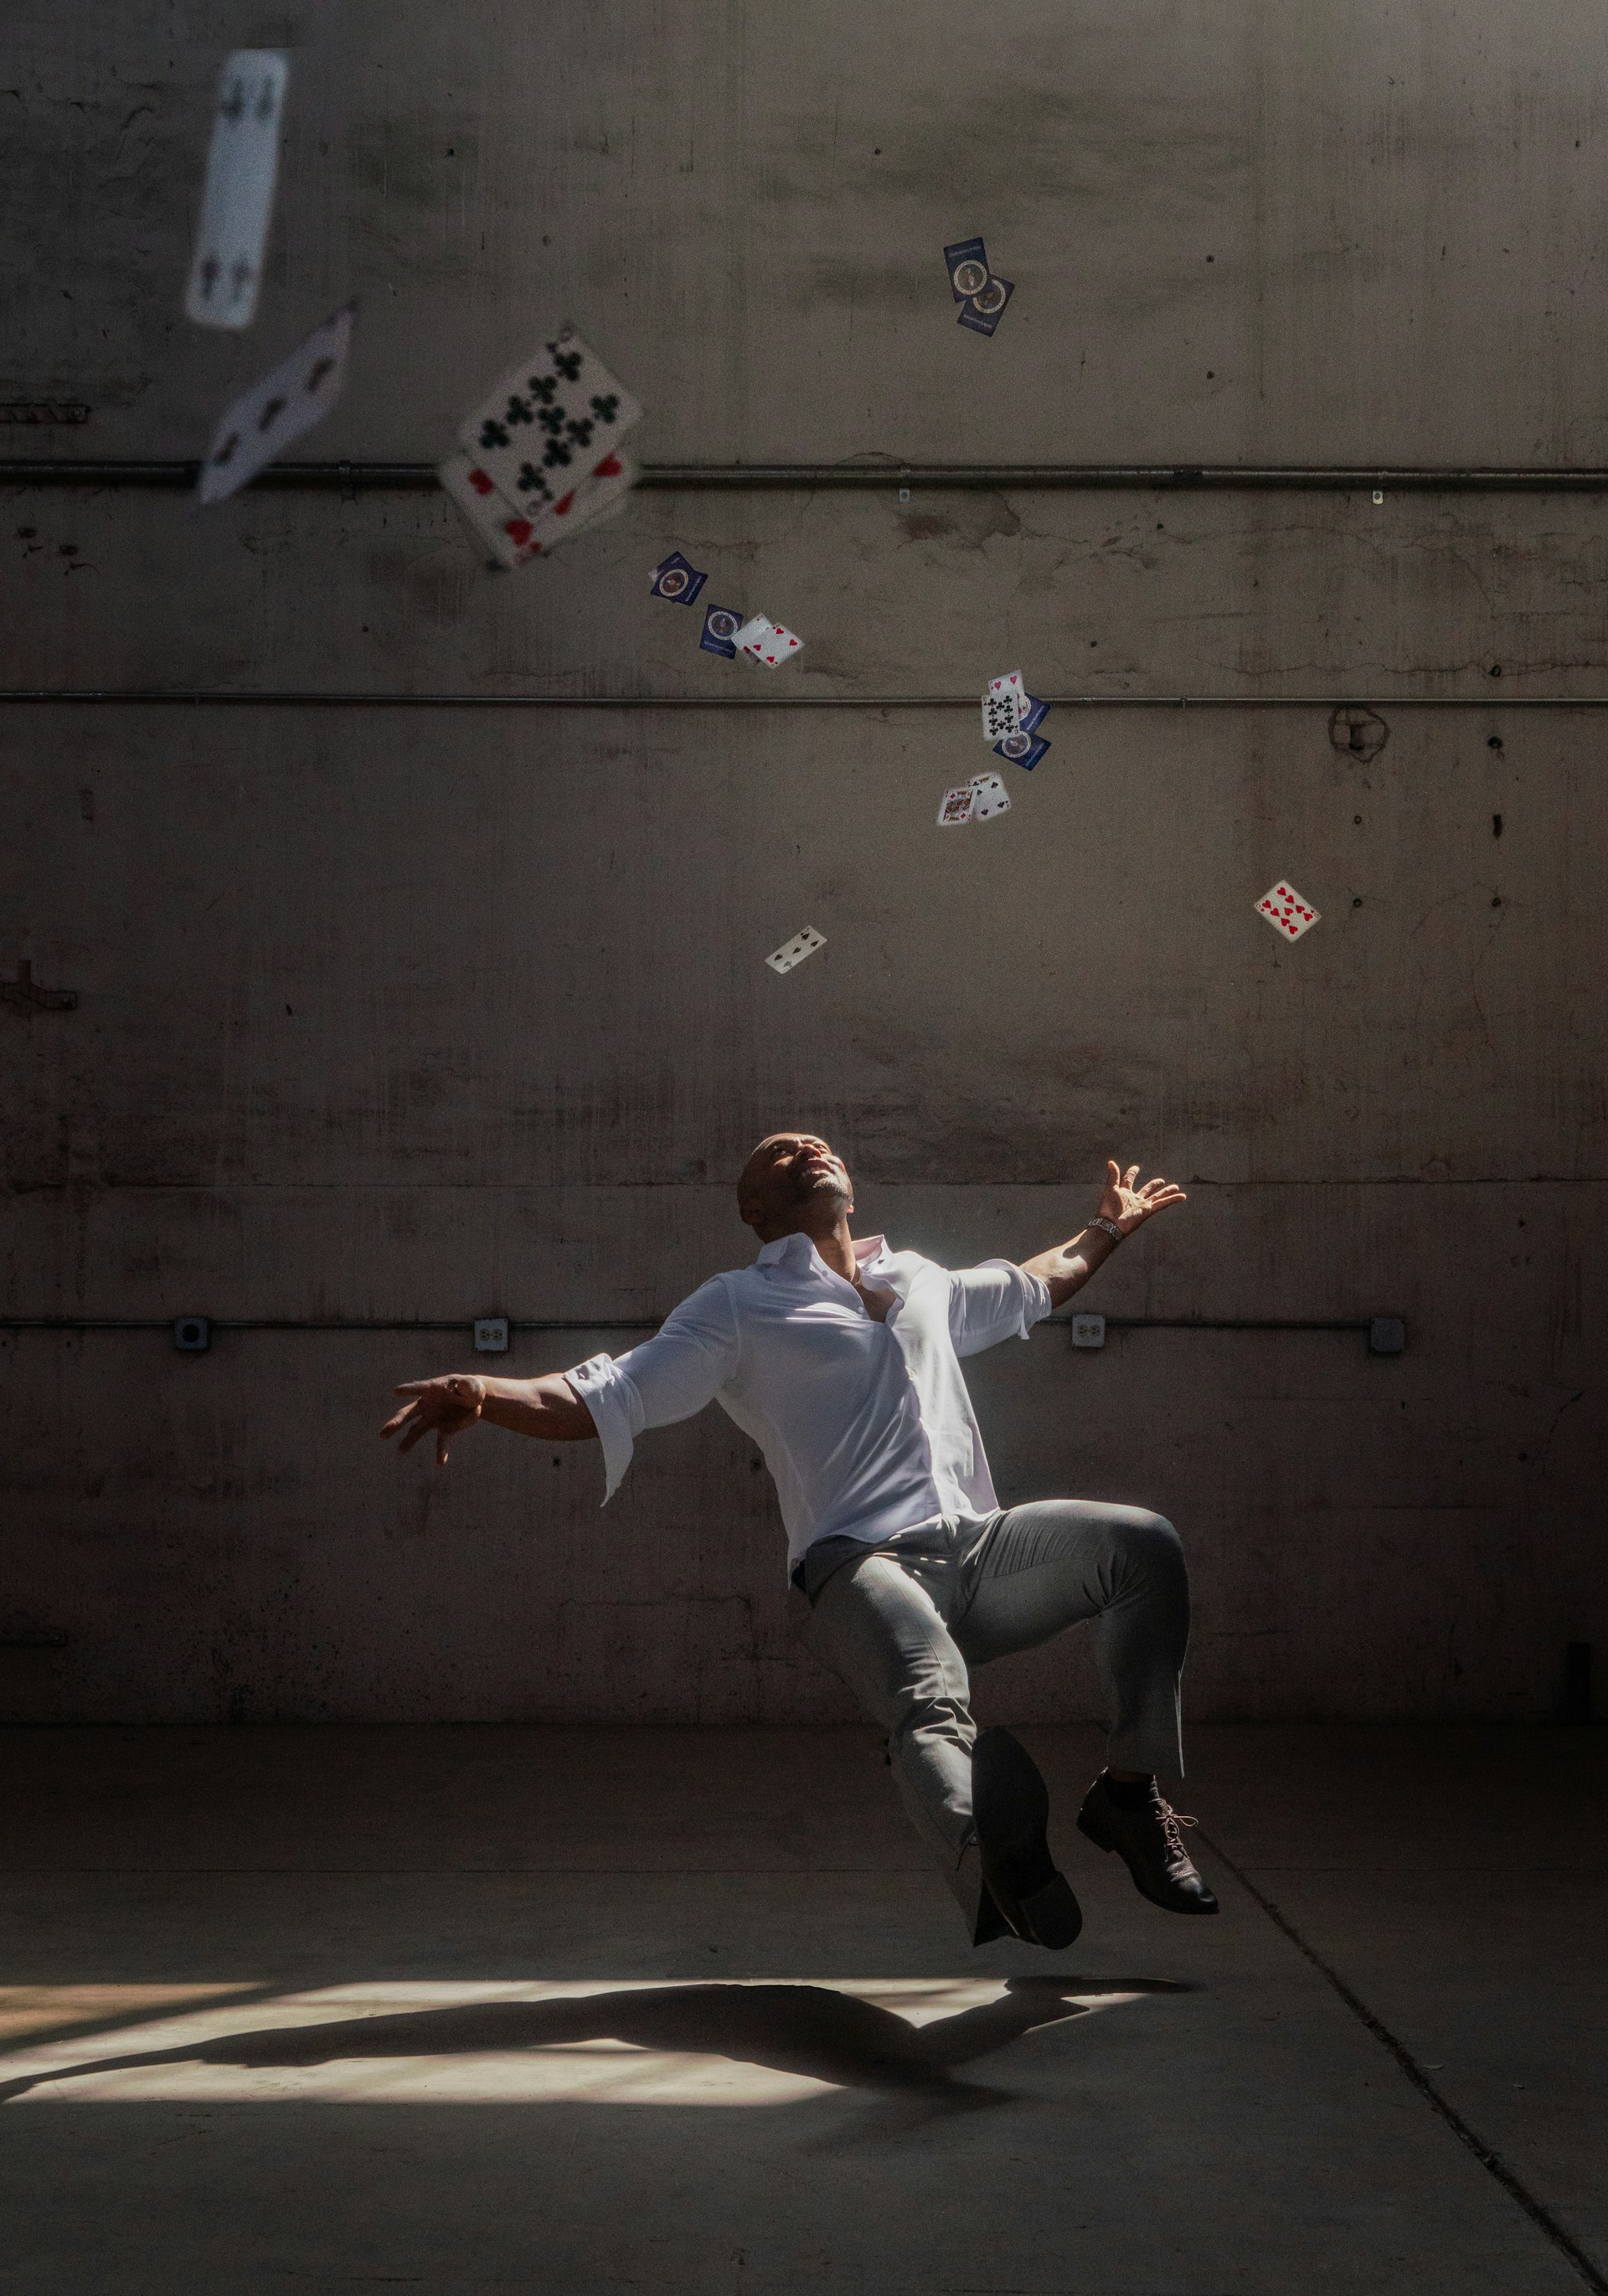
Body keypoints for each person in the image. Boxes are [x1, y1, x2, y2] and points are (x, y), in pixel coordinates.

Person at [381, 1132, 1217, 1949]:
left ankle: (1129, 1794)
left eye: (818, 1146)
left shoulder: (918, 1276)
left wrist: (1106, 1227)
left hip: (983, 1550)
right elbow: (612, 1391)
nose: (808, 1151)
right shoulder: (738, 1305)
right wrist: (487, 1394)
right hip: (862, 1567)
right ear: (754, 1207)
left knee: (1141, 1545)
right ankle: (993, 1866)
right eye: (781, 1155)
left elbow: (1038, 1282)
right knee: (929, 1704)